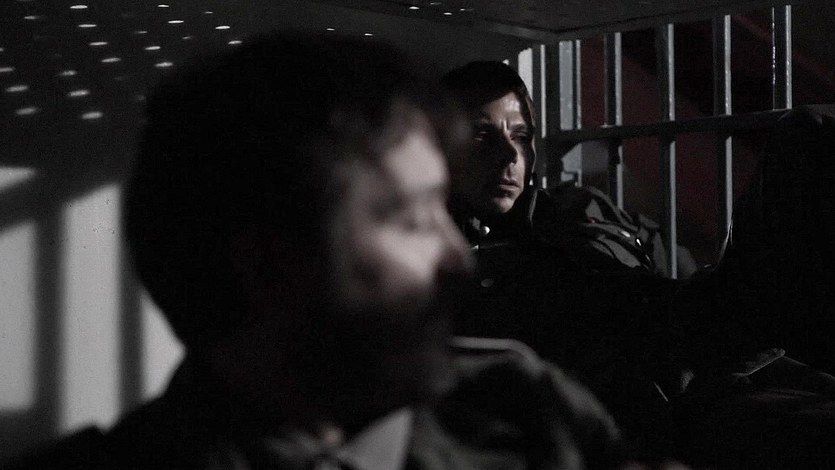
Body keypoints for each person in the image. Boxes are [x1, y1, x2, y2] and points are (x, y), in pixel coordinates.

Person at [4, 34, 626, 470]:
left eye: (445, 208)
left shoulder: (525, 411)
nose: (457, 258)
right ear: (271, 265)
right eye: (413, 219)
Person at [442, 60, 835, 469]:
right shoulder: (453, 259)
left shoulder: (584, 207)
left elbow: (677, 275)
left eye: (521, 136)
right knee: (805, 135)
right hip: (656, 397)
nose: (509, 154)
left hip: (705, 349)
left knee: (809, 135)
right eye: (481, 134)